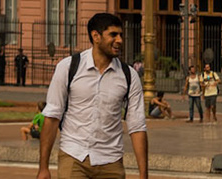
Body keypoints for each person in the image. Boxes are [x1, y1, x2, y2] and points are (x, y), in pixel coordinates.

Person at [38, 10, 149, 179]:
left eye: (120, 35)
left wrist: (143, 174)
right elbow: (52, 116)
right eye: (113, 35)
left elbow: (137, 125)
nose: (119, 40)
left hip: (111, 161)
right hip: (73, 156)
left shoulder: (129, 75)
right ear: (96, 36)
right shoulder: (68, 67)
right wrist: (43, 167)